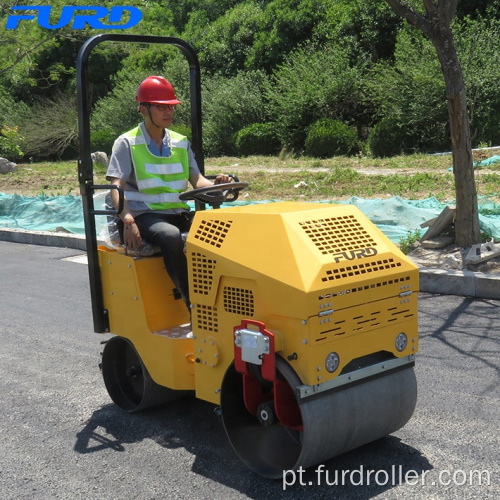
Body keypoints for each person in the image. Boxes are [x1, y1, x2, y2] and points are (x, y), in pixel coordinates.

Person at [106, 75, 230, 311]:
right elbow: (116, 187)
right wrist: (128, 220)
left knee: (224, 232)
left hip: (177, 213)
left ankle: (220, 301)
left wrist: (220, 185)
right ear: (143, 108)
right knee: (171, 236)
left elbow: (198, 181)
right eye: (162, 107)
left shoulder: (181, 142)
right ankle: (193, 304)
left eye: (171, 107)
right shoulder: (127, 143)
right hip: (144, 216)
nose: (169, 112)